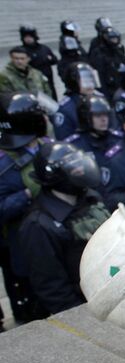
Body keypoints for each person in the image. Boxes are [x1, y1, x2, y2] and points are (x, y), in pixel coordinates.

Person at [18, 142, 109, 315]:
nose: (81, 170)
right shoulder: (38, 225)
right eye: (73, 168)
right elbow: (53, 289)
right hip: (84, 308)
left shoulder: (91, 198)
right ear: (55, 176)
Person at [0, 91, 50, 324]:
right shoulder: (4, 165)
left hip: (53, 241)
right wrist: (27, 194)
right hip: (22, 245)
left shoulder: (48, 147)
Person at [65, 95, 122, 169]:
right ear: (85, 117)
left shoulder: (119, 139)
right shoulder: (75, 145)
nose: (104, 119)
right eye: (98, 115)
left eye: (105, 114)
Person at [19, 25, 58, 99]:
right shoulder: (21, 51)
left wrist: (49, 59)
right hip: (33, 85)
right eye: (26, 37)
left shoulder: (44, 48)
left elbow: (54, 60)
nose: (28, 39)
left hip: (48, 82)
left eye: (30, 37)